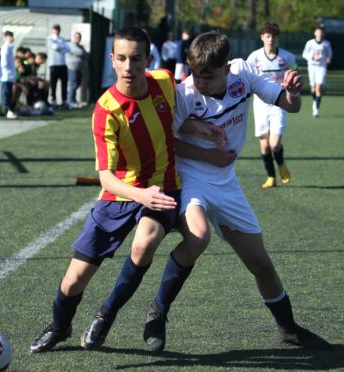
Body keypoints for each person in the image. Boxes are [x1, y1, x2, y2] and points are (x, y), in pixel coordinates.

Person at [142, 31, 330, 352]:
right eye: (196, 75)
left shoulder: (243, 72)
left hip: (226, 182)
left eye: (209, 77)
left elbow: (288, 104)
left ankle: (288, 329)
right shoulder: (184, 92)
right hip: (192, 178)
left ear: (227, 69)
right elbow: (166, 143)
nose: (200, 82)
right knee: (199, 236)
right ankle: (157, 314)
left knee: (261, 263)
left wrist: (293, 93)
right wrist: (208, 155)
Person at [29, 27, 182, 353]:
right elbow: (106, 178)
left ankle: (107, 312)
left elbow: (200, 91)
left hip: (162, 188)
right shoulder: (107, 109)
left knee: (144, 245)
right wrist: (140, 195)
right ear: (112, 60)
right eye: (122, 59)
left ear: (149, 60)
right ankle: (59, 327)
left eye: (137, 59)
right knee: (73, 281)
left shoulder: (165, 82)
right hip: (120, 194)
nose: (129, 67)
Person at [246, 23, 295, 189]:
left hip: (278, 103)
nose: (270, 39)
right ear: (262, 37)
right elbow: (246, 77)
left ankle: (281, 164)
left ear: (277, 38)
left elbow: (294, 71)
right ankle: (271, 177)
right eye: (267, 36)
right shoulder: (254, 58)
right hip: (260, 104)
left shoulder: (287, 57)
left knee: (274, 144)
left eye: (273, 36)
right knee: (265, 145)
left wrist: (291, 80)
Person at [302, 25, 332, 117]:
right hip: (312, 67)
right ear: (315, 33)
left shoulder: (326, 43)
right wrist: (312, 57)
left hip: (321, 67)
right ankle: (315, 101)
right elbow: (304, 54)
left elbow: (330, 54)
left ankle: (316, 108)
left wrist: (328, 58)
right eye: (318, 31)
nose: (319, 33)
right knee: (313, 89)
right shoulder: (310, 43)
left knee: (318, 88)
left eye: (321, 32)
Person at [47, 24, 70, 109]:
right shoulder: (50, 39)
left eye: (58, 29)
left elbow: (68, 49)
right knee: (53, 84)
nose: (56, 31)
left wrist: (61, 47)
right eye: (55, 29)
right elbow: (55, 47)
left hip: (63, 64)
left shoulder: (62, 39)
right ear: (52, 30)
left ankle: (64, 100)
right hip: (54, 64)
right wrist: (62, 47)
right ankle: (53, 100)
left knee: (64, 83)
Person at [65, 31, 88, 108]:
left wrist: (84, 54)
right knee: (73, 84)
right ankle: (70, 101)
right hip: (72, 68)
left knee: (77, 84)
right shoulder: (70, 45)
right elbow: (81, 53)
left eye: (79, 37)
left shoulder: (80, 46)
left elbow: (87, 55)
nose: (77, 38)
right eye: (76, 37)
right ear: (73, 37)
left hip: (80, 69)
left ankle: (73, 100)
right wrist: (83, 54)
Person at [0, 30, 18, 119]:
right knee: (6, 94)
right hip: (6, 75)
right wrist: (8, 70)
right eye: (10, 37)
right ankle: (7, 111)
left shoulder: (10, 47)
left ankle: (9, 110)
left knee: (9, 94)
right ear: (6, 37)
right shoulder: (5, 47)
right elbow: (4, 62)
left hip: (10, 76)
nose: (12, 39)